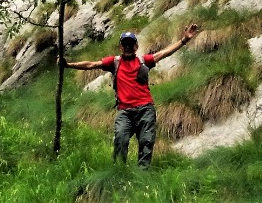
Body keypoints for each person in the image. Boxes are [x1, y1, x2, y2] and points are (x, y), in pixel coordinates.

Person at [65, 24, 199, 168]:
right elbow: (91, 64)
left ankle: (142, 175)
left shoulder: (143, 61)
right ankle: (119, 171)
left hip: (145, 109)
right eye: (125, 44)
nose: (128, 47)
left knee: (146, 141)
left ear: (136, 46)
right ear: (121, 47)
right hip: (124, 111)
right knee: (120, 139)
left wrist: (184, 40)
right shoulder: (114, 62)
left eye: (130, 44)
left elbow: (163, 53)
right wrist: (68, 65)